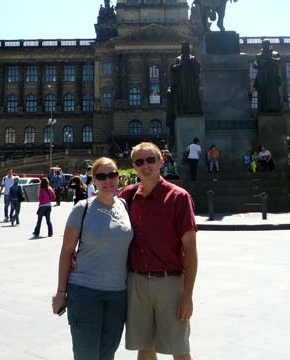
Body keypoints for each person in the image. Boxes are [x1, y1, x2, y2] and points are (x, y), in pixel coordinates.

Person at [119, 142, 198, 360]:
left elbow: (190, 251)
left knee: (179, 348)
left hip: (169, 283)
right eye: (139, 161)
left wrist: (187, 296)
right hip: (136, 282)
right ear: (134, 166)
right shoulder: (127, 196)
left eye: (151, 159)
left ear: (161, 161)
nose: (146, 165)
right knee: (144, 348)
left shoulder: (178, 197)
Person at [52, 157, 133, 360]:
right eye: (101, 176)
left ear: (119, 177)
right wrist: (61, 293)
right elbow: (67, 251)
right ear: (93, 179)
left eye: (112, 175)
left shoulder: (124, 205)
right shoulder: (82, 208)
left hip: (118, 294)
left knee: (108, 354)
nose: (108, 180)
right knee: (86, 355)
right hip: (85, 293)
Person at [253, 41, 283, 113]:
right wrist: (255, 64)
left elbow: (279, 61)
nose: (265, 46)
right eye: (264, 44)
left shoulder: (275, 53)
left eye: (266, 44)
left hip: (272, 76)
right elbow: (255, 64)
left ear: (269, 45)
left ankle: (274, 108)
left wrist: (270, 59)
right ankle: (263, 109)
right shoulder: (258, 55)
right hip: (262, 76)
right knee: (262, 92)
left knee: (273, 93)